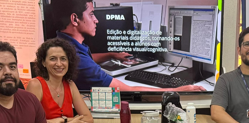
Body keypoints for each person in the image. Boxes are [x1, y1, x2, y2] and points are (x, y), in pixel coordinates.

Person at [51, 0, 205, 92]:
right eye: (91, 14)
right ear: (75, 19)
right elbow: (129, 90)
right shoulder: (78, 59)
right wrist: (177, 90)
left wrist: (111, 55)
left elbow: (88, 59)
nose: (96, 20)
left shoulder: (63, 44)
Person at [26, 38, 93, 123]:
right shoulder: (35, 85)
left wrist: (60, 120)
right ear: (43, 63)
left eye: (63, 59)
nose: (59, 64)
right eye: (53, 59)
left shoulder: (70, 84)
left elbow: (89, 119)